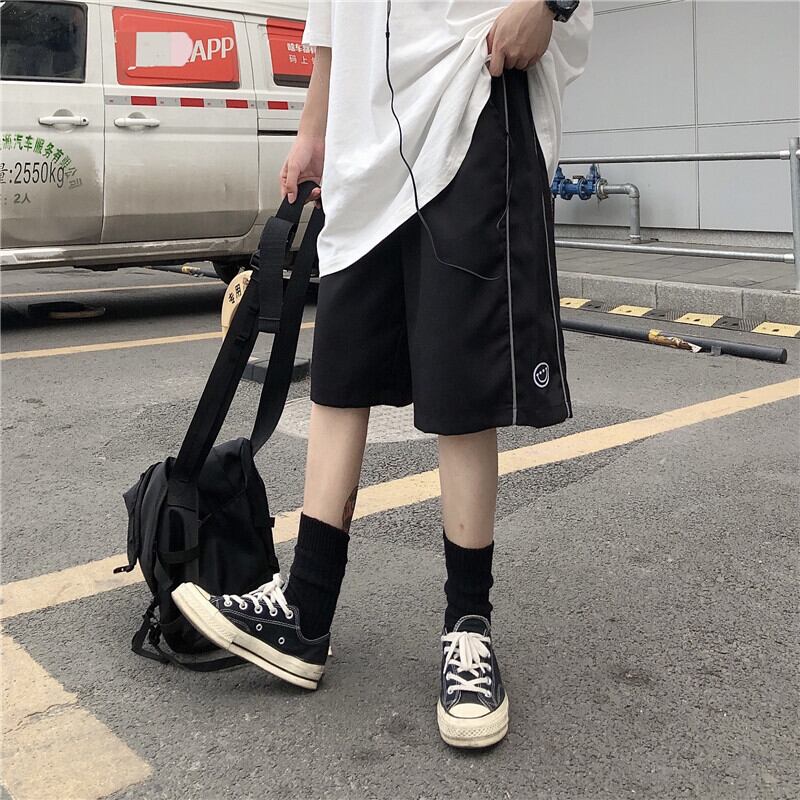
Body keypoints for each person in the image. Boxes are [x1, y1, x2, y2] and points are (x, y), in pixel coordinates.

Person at [173, 0, 593, 749]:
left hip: (469, 94)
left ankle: (468, 624)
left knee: (461, 382)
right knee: (341, 370)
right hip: (364, 143)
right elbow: (335, 18)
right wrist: (312, 130)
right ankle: (306, 612)